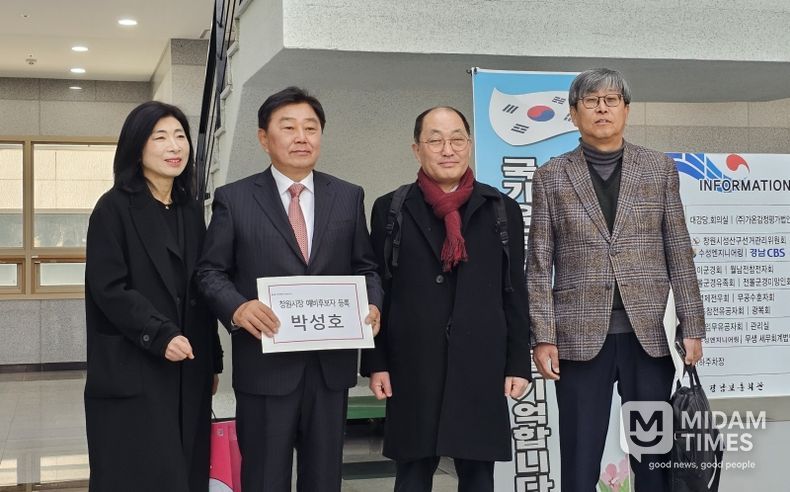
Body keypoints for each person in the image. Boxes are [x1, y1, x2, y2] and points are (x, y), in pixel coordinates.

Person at [195, 86, 383, 492]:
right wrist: (237, 308)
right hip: (265, 368)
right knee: (265, 477)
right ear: (264, 138)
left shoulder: (348, 196)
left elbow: (366, 267)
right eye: (289, 127)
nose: (302, 137)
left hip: (329, 370)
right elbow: (210, 272)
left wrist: (372, 304)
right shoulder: (235, 198)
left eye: (311, 128)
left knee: (324, 479)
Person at [526, 68, 706, 491]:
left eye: (611, 100)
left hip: (650, 337)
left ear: (626, 109)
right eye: (591, 101)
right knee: (579, 457)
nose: (602, 109)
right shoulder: (551, 176)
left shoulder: (658, 169)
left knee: (653, 457)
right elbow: (538, 264)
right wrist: (543, 336)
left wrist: (692, 325)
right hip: (578, 337)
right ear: (574, 114)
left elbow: (679, 250)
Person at [361, 106, 532, 492]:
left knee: (478, 476)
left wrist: (518, 363)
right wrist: (376, 362)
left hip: (481, 362)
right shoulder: (392, 208)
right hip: (413, 364)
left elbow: (514, 290)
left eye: (457, 139)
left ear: (469, 145)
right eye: (435, 140)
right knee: (412, 474)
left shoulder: (500, 208)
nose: (447, 149)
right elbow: (378, 290)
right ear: (416, 149)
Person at [84, 101, 223, 492]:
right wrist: (160, 334)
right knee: (139, 471)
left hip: (189, 367)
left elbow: (200, 288)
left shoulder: (189, 210)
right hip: (136, 362)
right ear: (137, 147)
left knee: (185, 469)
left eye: (180, 136)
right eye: (159, 137)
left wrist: (212, 358)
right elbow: (110, 289)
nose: (174, 146)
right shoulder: (112, 209)